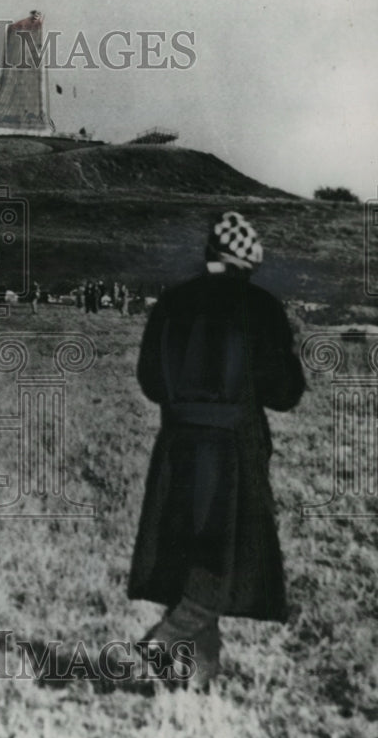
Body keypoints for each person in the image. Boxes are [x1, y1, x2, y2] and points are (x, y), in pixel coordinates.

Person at [129, 211, 305, 688]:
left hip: (177, 445)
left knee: (191, 554)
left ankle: (197, 676)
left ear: (210, 254)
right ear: (246, 263)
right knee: (225, 560)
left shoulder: (172, 303)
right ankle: (164, 643)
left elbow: (149, 381)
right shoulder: (260, 306)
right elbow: (285, 392)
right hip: (234, 448)